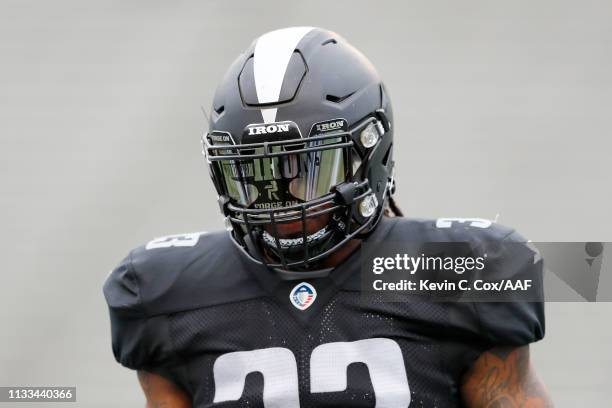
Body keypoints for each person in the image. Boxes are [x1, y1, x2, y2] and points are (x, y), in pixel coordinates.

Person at [103, 27, 552, 407]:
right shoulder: (164, 291)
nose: (279, 201)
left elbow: (589, 273)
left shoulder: (459, 268)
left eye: (307, 170)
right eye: (257, 172)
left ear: (369, 155)